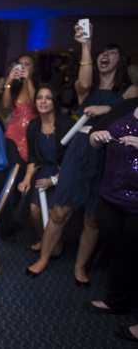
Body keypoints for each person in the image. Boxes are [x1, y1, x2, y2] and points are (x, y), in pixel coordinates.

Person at [26, 23, 132, 287]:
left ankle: (80, 268)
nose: (105, 56)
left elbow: (129, 115)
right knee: (60, 210)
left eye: (112, 53)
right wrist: (86, 44)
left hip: (108, 154)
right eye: (102, 52)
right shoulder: (86, 87)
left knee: (93, 217)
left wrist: (106, 110)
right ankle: (43, 258)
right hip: (80, 151)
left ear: (122, 61)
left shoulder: (128, 93)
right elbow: (84, 81)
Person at [82, 97, 138, 343]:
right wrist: (97, 138)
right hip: (111, 194)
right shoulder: (129, 104)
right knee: (118, 251)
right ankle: (116, 302)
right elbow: (93, 136)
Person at [16, 85, 74, 254]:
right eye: (40, 97)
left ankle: (54, 244)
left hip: (65, 172)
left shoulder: (67, 124)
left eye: (47, 97)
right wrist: (27, 179)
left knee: (52, 213)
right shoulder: (33, 126)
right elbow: (33, 158)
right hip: (44, 170)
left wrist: (55, 179)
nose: (43, 101)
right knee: (34, 211)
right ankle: (45, 240)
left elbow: (73, 161)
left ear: (55, 101)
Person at [2, 52, 39, 162]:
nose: (22, 67)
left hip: (31, 133)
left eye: (27, 64)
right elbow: (5, 104)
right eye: (20, 64)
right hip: (13, 133)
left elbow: (35, 105)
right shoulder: (15, 87)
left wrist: (28, 80)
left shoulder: (39, 88)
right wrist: (8, 82)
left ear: (33, 68)